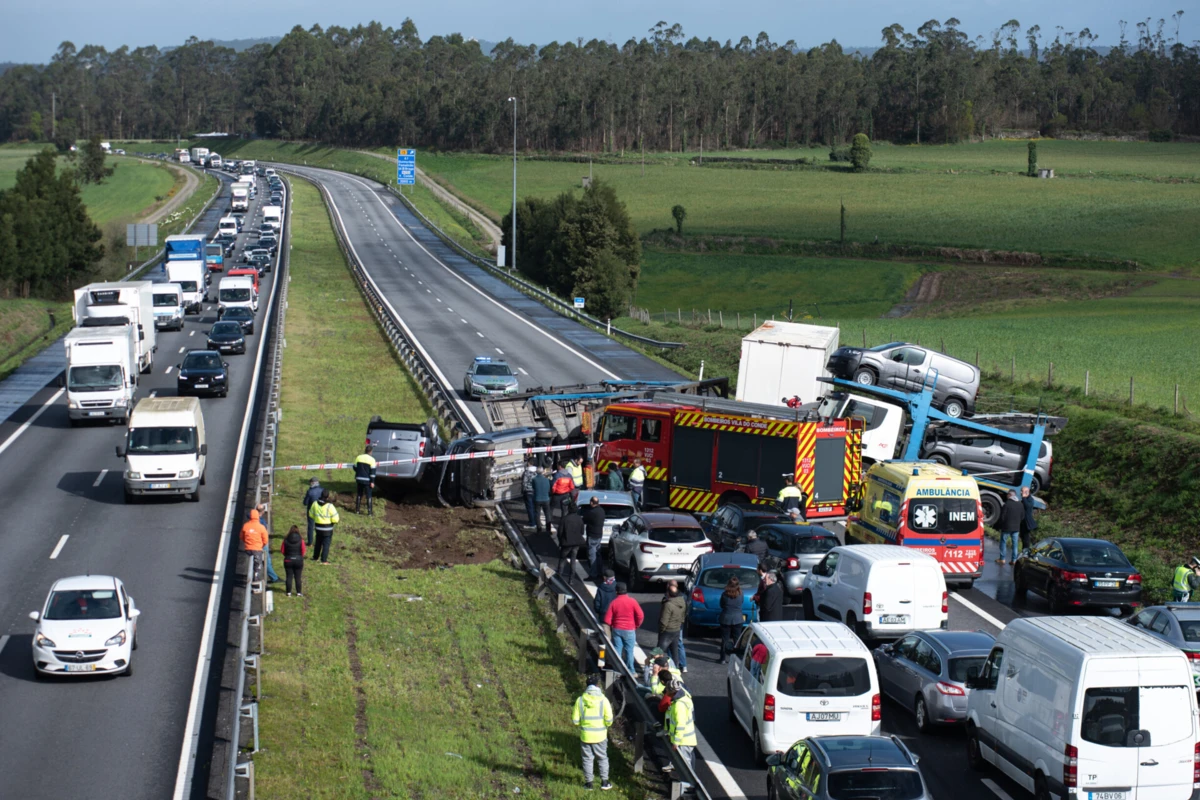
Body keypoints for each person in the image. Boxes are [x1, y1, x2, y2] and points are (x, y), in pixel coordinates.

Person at [571, 674, 613, 791]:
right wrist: (604, 725)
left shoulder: (580, 700)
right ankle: (604, 782)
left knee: (587, 759)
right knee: (602, 758)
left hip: (586, 736)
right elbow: (609, 719)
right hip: (600, 736)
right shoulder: (603, 700)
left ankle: (589, 783)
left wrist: (583, 725)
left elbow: (575, 720)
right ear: (597, 685)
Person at [603, 582, 643, 672]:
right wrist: (636, 625)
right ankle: (631, 671)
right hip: (629, 629)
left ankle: (617, 669)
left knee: (617, 649)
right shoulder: (632, 601)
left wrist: (612, 624)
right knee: (629, 650)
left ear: (616, 592)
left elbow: (607, 620)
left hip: (617, 629)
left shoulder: (614, 602)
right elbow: (640, 615)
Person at [663, 682, 697, 784]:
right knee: (686, 765)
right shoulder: (684, 699)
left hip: (683, 741)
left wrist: (676, 741)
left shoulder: (679, 705)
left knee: (685, 768)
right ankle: (687, 785)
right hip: (687, 740)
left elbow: (680, 725)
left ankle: (687, 787)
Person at [240, 507, 273, 583]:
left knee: (251, 561)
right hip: (257, 548)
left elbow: (241, 536)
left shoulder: (245, 526)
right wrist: (261, 545)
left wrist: (247, 542)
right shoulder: (261, 527)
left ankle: (252, 575)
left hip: (248, 548)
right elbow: (265, 539)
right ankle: (256, 576)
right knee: (258, 563)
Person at [658, 583, 686, 668]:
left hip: (667, 631)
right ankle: (676, 668)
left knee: (658, 651)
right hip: (676, 629)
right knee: (674, 652)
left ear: (668, 593)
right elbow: (683, 616)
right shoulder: (682, 602)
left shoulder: (668, 604)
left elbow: (664, 620)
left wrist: (661, 629)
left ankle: (656, 667)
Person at [309, 490, 340, 565]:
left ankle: (315, 557)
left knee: (318, 542)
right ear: (328, 496)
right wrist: (332, 522)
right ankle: (324, 560)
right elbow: (336, 519)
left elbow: (311, 514)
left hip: (318, 527)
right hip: (327, 528)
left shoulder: (315, 504)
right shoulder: (330, 506)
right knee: (326, 544)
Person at [719, 576, 745, 663]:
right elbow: (741, 602)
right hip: (738, 619)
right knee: (737, 640)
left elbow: (721, 605)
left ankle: (723, 658)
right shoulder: (741, 594)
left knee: (725, 639)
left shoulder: (724, 595)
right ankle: (737, 658)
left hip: (726, 618)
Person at [558, 501, 586, 580]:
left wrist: (560, 541)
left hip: (566, 542)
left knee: (562, 559)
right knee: (573, 560)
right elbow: (582, 531)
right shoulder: (579, 519)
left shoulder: (564, 519)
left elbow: (560, 532)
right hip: (576, 542)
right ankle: (571, 578)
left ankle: (559, 576)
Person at [582, 495, 607, 581]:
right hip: (599, 535)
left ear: (591, 502)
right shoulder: (601, 511)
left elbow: (584, 520)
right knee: (598, 555)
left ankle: (593, 574)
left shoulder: (591, 512)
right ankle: (600, 572)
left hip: (592, 535)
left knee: (592, 556)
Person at [997, 490, 1024, 565]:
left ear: (1009, 495)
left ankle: (1002, 559)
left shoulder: (1007, 504)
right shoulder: (1020, 504)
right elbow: (1022, 516)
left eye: (1007, 494)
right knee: (1015, 544)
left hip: (1006, 527)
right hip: (1016, 528)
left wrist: (1000, 524)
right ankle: (1014, 560)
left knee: (1003, 542)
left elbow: (1002, 516)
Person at [280, 525, 306, 597]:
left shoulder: (285, 540)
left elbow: (282, 550)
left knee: (289, 576)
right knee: (298, 577)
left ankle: (288, 592)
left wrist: (287, 555)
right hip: (298, 560)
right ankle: (298, 593)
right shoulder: (301, 540)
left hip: (288, 560)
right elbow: (303, 551)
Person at [551, 462, 575, 533]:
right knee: (564, 510)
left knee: (551, 508)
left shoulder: (557, 475)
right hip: (566, 494)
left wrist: (553, 492)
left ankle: (549, 522)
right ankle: (563, 522)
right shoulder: (569, 476)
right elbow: (572, 487)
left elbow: (553, 486)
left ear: (560, 466)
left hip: (557, 495)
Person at [354, 445, 377, 515]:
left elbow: (355, 467)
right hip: (367, 480)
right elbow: (373, 473)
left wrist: (359, 473)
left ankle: (357, 510)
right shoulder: (372, 460)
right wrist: (372, 482)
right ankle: (369, 512)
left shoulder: (358, 457)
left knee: (359, 494)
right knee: (369, 496)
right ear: (370, 452)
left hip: (359, 479)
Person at [303, 477, 323, 546]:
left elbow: (305, 503)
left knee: (311, 526)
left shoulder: (310, 491)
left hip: (311, 511)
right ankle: (320, 541)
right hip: (320, 510)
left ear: (312, 483)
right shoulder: (322, 490)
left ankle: (310, 542)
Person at [532, 467, 552, 534]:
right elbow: (549, 489)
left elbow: (533, 487)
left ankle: (539, 529)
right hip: (546, 499)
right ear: (543, 472)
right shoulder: (546, 480)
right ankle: (548, 530)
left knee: (537, 514)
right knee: (547, 514)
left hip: (537, 499)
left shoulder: (534, 479)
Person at [522, 458, 539, 531]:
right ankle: (536, 521)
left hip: (528, 491)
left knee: (530, 508)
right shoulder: (537, 471)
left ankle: (532, 523)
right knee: (535, 507)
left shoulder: (527, 472)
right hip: (536, 491)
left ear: (529, 463)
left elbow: (524, 482)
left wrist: (523, 491)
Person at [1019, 485, 1039, 551]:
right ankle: (1023, 550)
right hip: (1022, 522)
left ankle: (1026, 550)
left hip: (1027, 523)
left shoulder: (1030, 499)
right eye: (1021, 491)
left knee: (1026, 538)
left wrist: (1024, 498)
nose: (1021, 493)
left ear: (1027, 492)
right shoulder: (1023, 499)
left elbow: (1028, 506)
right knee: (1023, 537)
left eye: (1023, 491)